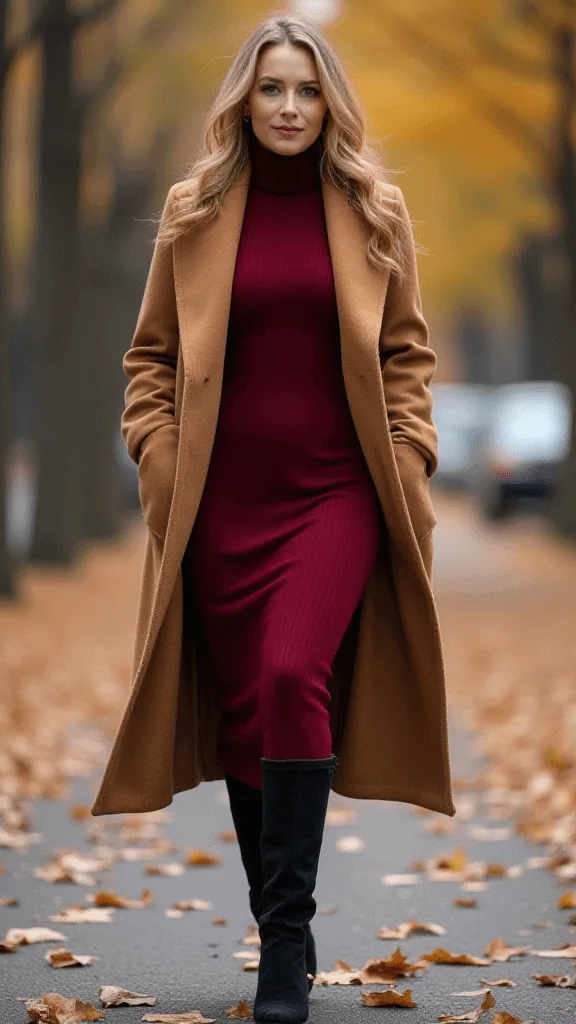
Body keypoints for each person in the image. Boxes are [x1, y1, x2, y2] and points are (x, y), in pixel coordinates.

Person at [92, 12, 454, 1024]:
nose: (289, 107)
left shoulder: (375, 209)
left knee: (294, 673)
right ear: (243, 102)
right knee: (250, 714)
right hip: (218, 501)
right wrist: (162, 466)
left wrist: (411, 459)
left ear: (330, 103)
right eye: (271, 89)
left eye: (306, 90)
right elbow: (150, 359)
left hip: (338, 492)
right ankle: (276, 923)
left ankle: (285, 945)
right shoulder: (195, 209)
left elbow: (407, 357)